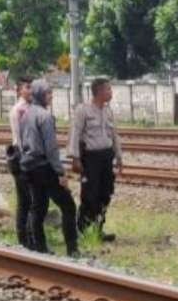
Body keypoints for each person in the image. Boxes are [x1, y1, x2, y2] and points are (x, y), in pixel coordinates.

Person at [19, 80, 79, 257]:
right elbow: (51, 148)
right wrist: (60, 172)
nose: (51, 96)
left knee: (38, 207)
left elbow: (22, 142)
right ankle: (72, 249)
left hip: (28, 166)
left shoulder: (26, 114)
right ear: (40, 95)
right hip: (44, 167)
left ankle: (39, 247)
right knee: (68, 206)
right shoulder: (45, 117)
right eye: (48, 93)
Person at [68, 78, 123, 242]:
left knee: (105, 194)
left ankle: (98, 229)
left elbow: (114, 135)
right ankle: (83, 229)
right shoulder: (83, 110)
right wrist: (75, 158)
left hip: (106, 157)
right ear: (99, 91)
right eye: (108, 89)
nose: (111, 92)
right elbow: (75, 134)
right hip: (90, 158)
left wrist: (119, 155)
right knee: (90, 196)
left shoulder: (108, 111)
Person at [6, 76, 33, 249]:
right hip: (22, 155)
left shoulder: (32, 108)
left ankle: (30, 236)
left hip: (28, 156)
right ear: (19, 90)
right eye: (27, 87)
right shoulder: (19, 110)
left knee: (32, 200)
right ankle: (23, 238)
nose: (31, 91)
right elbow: (21, 138)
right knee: (25, 200)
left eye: (32, 87)